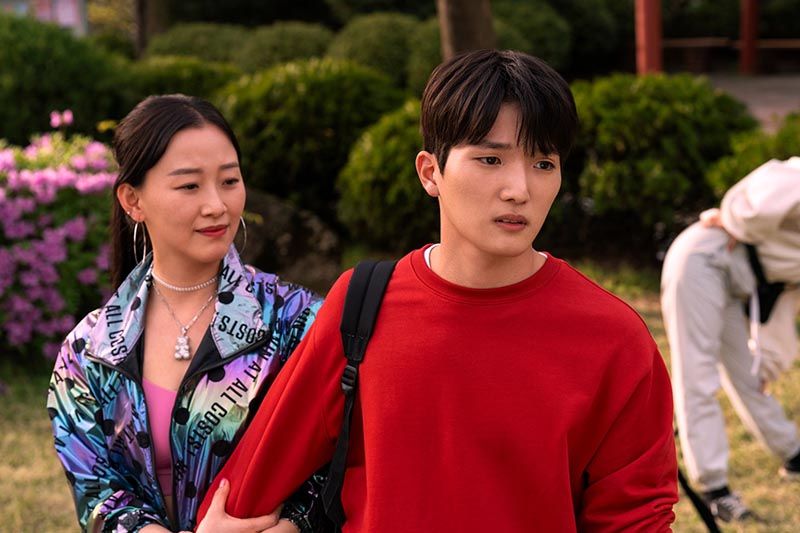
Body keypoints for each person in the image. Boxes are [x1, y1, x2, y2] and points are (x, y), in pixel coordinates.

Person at [197, 50, 678, 532]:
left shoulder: (613, 339)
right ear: (430, 172)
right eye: (491, 159)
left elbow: (636, 521)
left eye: (543, 163)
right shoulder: (362, 305)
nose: (519, 189)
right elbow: (244, 493)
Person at [47, 95, 326, 533]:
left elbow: (338, 465)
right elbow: (98, 495)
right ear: (133, 200)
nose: (217, 205)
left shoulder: (298, 322)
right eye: (190, 186)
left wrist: (293, 526)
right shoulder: (89, 352)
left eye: (229, 181)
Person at [662, 157, 800, 522]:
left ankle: (793, 454)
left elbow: (786, 298)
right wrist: (736, 218)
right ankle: (714, 490)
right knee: (698, 374)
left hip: (737, 283)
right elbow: (779, 178)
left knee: (751, 375)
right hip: (703, 258)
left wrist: (769, 358)